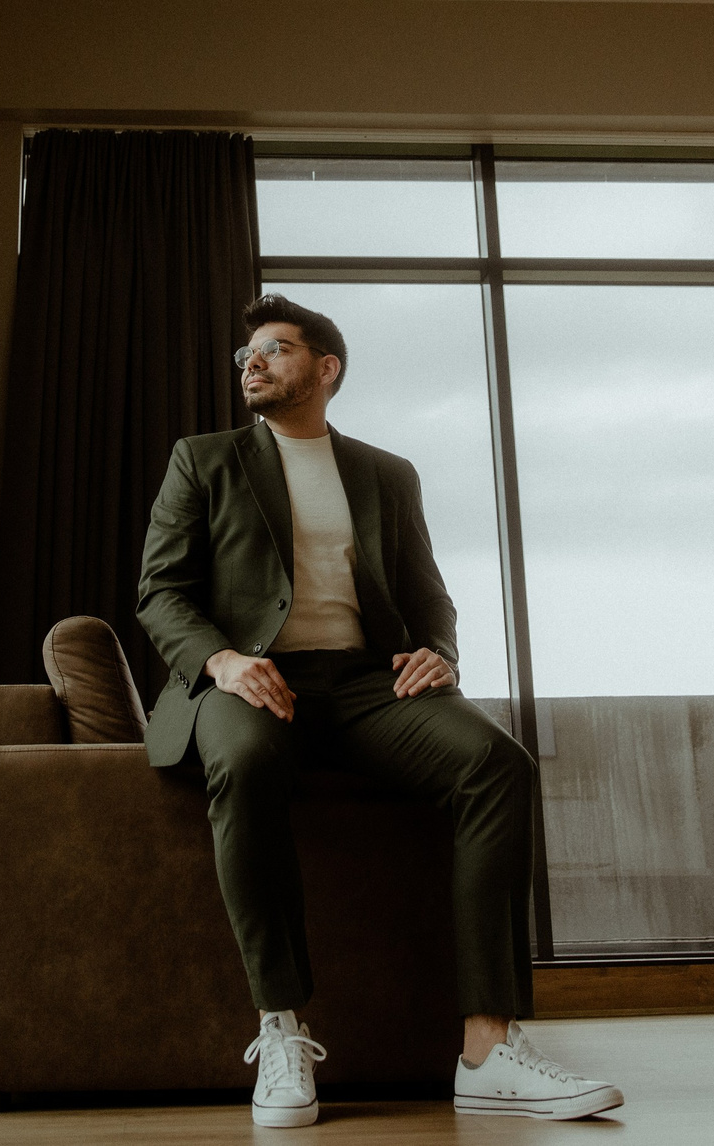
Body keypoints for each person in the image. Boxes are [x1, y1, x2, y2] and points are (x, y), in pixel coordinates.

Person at [136, 293, 625, 1127]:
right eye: (246, 353)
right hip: (249, 680)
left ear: (325, 369)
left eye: (275, 348)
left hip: (367, 684)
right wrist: (224, 661)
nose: (252, 361)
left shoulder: (386, 472)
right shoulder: (204, 459)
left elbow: (429, 597)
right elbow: (161, 591)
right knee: (246, 759)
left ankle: (486, 1050)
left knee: (497, 763)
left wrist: (440, 651)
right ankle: (281, 1028)